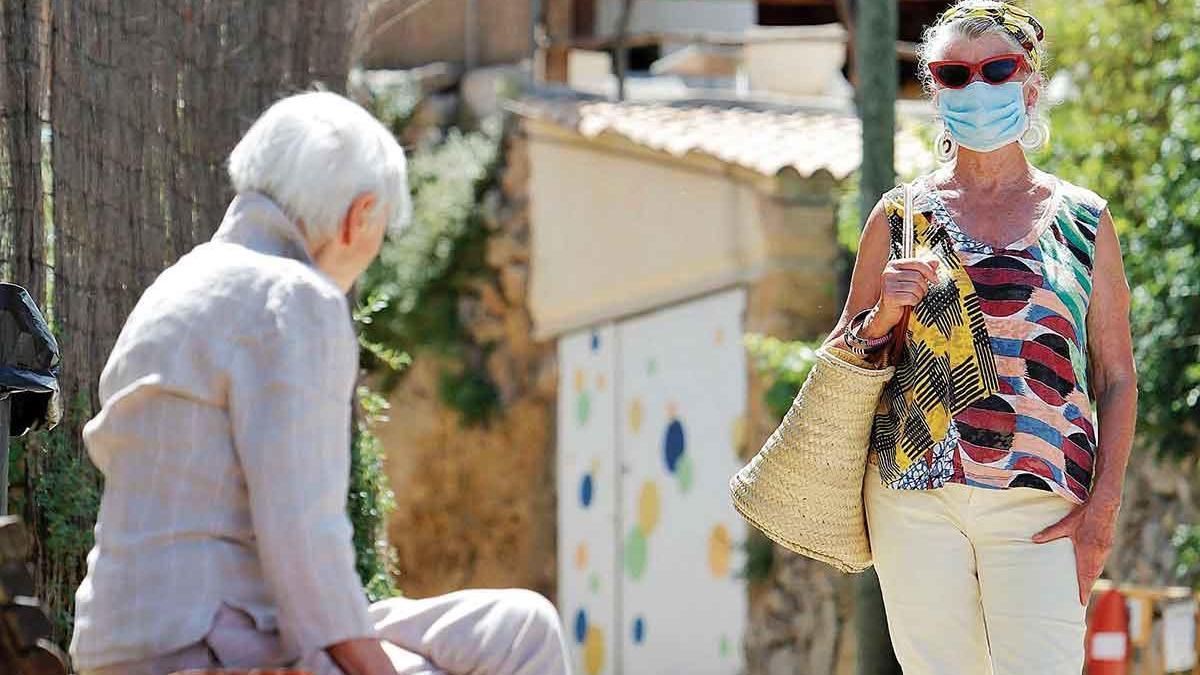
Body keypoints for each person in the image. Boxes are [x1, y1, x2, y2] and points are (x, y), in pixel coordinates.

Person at [69, 91, 572, 675]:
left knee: (519, 626)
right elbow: (301, 536)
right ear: (359, 217)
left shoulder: (180, 284)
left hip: (156, 634)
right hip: (202, 646)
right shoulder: (294, 298)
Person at [826, 2, 1137, 673]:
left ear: (1030, 86)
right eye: (954, 74)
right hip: (915, 496)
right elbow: (844, 353)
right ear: (936, 91)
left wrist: (1103, 506)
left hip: (1043, 501)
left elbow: (1115, 376)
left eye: (997, 69)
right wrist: (884, 313)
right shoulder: (901, 215)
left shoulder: (1084, 222)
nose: (977, 87)